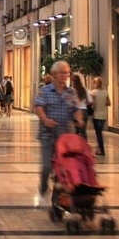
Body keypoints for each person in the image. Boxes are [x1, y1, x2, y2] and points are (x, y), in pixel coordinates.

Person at [34, 61, 85, 203]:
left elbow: (77, 109)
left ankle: (57, 197)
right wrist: (45, 119)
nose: (66, 75)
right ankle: (43, 186)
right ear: (54, 74)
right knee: (47, 166)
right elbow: (38, 107)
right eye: (62, 72)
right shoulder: (45, 91)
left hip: (66, 137)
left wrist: (79, 119)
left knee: (63, 168)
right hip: (47, 134)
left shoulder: (72, 92)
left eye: (67, 72)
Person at [89, 77, 111, 156]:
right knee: (100, 132)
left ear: (95, 83)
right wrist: (102, 104)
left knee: (98, 133)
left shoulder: (93, 92)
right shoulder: (105, 92)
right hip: (104, 115)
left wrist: (95, 105)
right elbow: (109, 103)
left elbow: (91, 103)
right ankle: (99, 148)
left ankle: (102, 150)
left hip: (96, 115)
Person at [71, 74, 92, 141]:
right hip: (84, 111)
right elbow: (90, 101)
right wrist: (84, 104)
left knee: (76, 130)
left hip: (76, 111)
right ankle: (84, 146)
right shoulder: (84, 90)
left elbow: (71, 102)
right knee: (83, 131)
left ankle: (77, 146)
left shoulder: (72, 90)